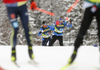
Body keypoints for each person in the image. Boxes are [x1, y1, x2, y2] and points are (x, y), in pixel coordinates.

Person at [66, 0, 100, 67]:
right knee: (83, 29)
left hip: (95, 6)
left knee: (83, 29)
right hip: (90, 5)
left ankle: (74, 52)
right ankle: (74, 52)